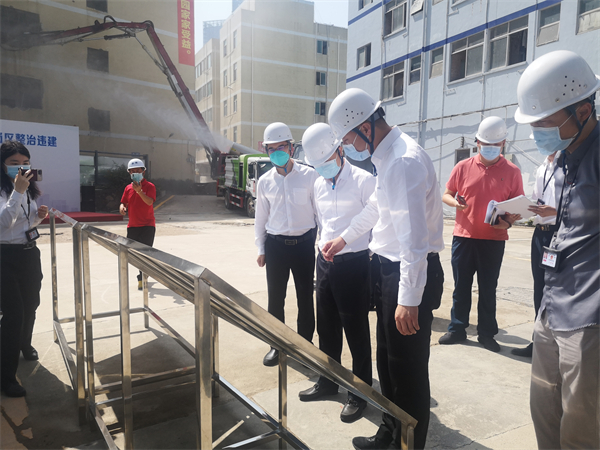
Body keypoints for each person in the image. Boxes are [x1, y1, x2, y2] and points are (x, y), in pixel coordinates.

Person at [323, 88, 445, 450]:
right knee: (389, 365)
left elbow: (414, 241)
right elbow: (378, 206)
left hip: (407, 274)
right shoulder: (387, 157)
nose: (349, 148)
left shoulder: (403, 161)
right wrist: (344, 238)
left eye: (348, 140)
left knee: (407, 372)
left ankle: (409, 445)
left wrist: (409, 298)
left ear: (365, 127)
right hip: (388, 269)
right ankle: (390, 434)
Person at [514, 50, 599, 449]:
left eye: (545, 124)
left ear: (582, 111)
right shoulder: (563, 159)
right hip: (551, 306)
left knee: (581, 430)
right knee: (544, 413)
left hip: (589, 317)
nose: (537, 133)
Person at [298, 123, 376, 423]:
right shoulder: (319, 183)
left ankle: (360, 392)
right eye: (318, 164)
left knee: (356, 331)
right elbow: (322, 222)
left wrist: (347, 242)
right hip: (325, 264)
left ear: (340, 150)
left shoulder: (364, 181)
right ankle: (328, 381)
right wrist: (322, 247)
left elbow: (375, 217)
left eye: (327, 160)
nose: (323, 168)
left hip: (354, 265)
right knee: (326, 327)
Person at [438, 116, 523, 353]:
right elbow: (446, 194)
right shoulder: (462, 167)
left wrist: (508, 223)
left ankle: (486, 334)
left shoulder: (513, 172)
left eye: (496, 144)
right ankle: (457, 329)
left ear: (503, 143)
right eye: (486, 144)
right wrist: (456, 203)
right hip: (464, 238)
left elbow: (517, 207)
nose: (490, 148)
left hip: (493, 241)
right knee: (461, 287)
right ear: (477, 142)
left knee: (488, 289)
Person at [254, 122, 318, 367]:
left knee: (305, 297)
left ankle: (305, 346)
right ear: (266, 151)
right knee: (275, 298)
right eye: (271, 148)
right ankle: (277, 346)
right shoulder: (265, 181)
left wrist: (322, 243)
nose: (276, 152)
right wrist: (261, 248)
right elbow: (261, 218)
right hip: (276, 247)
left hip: (304, 245)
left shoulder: (310, 176)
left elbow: (320, 213)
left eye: (281, 147)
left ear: (291, 148)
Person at [1, 140, 48, 397]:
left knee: (31, 304)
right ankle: (6, 377)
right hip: (4, 257)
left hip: (28, 254)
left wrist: (38, 217)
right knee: (13, 314)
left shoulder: (28, 188)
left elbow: (24, 225)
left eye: (25, 162)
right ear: (2, 165)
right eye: (13, 163)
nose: (20, 167)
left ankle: (24, 345)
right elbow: (4, 225)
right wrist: (17, 192)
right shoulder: (11, 190)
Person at [511, 150, 562, 357]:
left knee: (558, 289)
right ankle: (538, 342)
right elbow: (536, 201)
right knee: (539, 288)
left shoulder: (570, 167)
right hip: (540, 234)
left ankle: (559, 346)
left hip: (559, 234)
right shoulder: (542, 168)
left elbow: (581, 206)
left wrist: (555, 212)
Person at [119, 158, 156, 290]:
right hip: (133, 226)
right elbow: (124, 202)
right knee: (132, 254)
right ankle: (144, 272)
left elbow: (149, 202)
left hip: (147, 226)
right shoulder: (128, 188)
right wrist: (122, 207)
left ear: (143, 172)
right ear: (129, 173)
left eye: (137, 170)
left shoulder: (150, 186)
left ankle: (142, 278)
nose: (135, 173)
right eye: (132, 171)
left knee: (145, 254)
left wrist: (140, 191)